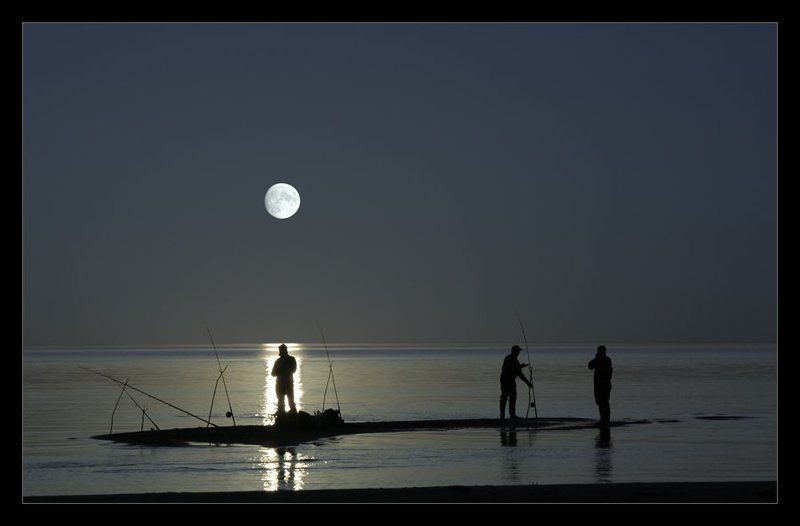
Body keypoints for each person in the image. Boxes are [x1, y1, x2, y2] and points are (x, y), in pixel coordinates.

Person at [500, 345, 533, 420]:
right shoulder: (510, 359)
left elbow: (517, 370)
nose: (519, 352)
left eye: (519, 351)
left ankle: (510, 415)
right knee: (505, 397)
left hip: (508, 380)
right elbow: (519, 373)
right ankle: (505, 416)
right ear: (514, 351)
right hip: (506, 380)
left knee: (511, 397)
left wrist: (520, 366)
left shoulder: (511, 359)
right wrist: (528, 383)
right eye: (518, 351)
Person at [588, 345, 613, 425]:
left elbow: (607, 371)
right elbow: (590, 366)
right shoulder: (598, 360)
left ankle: (605, 419)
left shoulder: (607, 360)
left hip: (605, 385)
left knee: (604, 402)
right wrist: (596, 359)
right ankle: (603, 419)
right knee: (599, 402)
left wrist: (598, 359)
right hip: (598, 385)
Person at [271, 344, 297, 414]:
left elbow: (293, 370)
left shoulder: (291, 359)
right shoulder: (278, 361)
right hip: (280, 385)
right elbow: (273, 373)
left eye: (281, 350)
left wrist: (282, 370)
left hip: (288, 384)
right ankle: (282, 419)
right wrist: (281, 371)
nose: (280, 352)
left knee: (291, 403)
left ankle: (294, 418)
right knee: (281, 404)